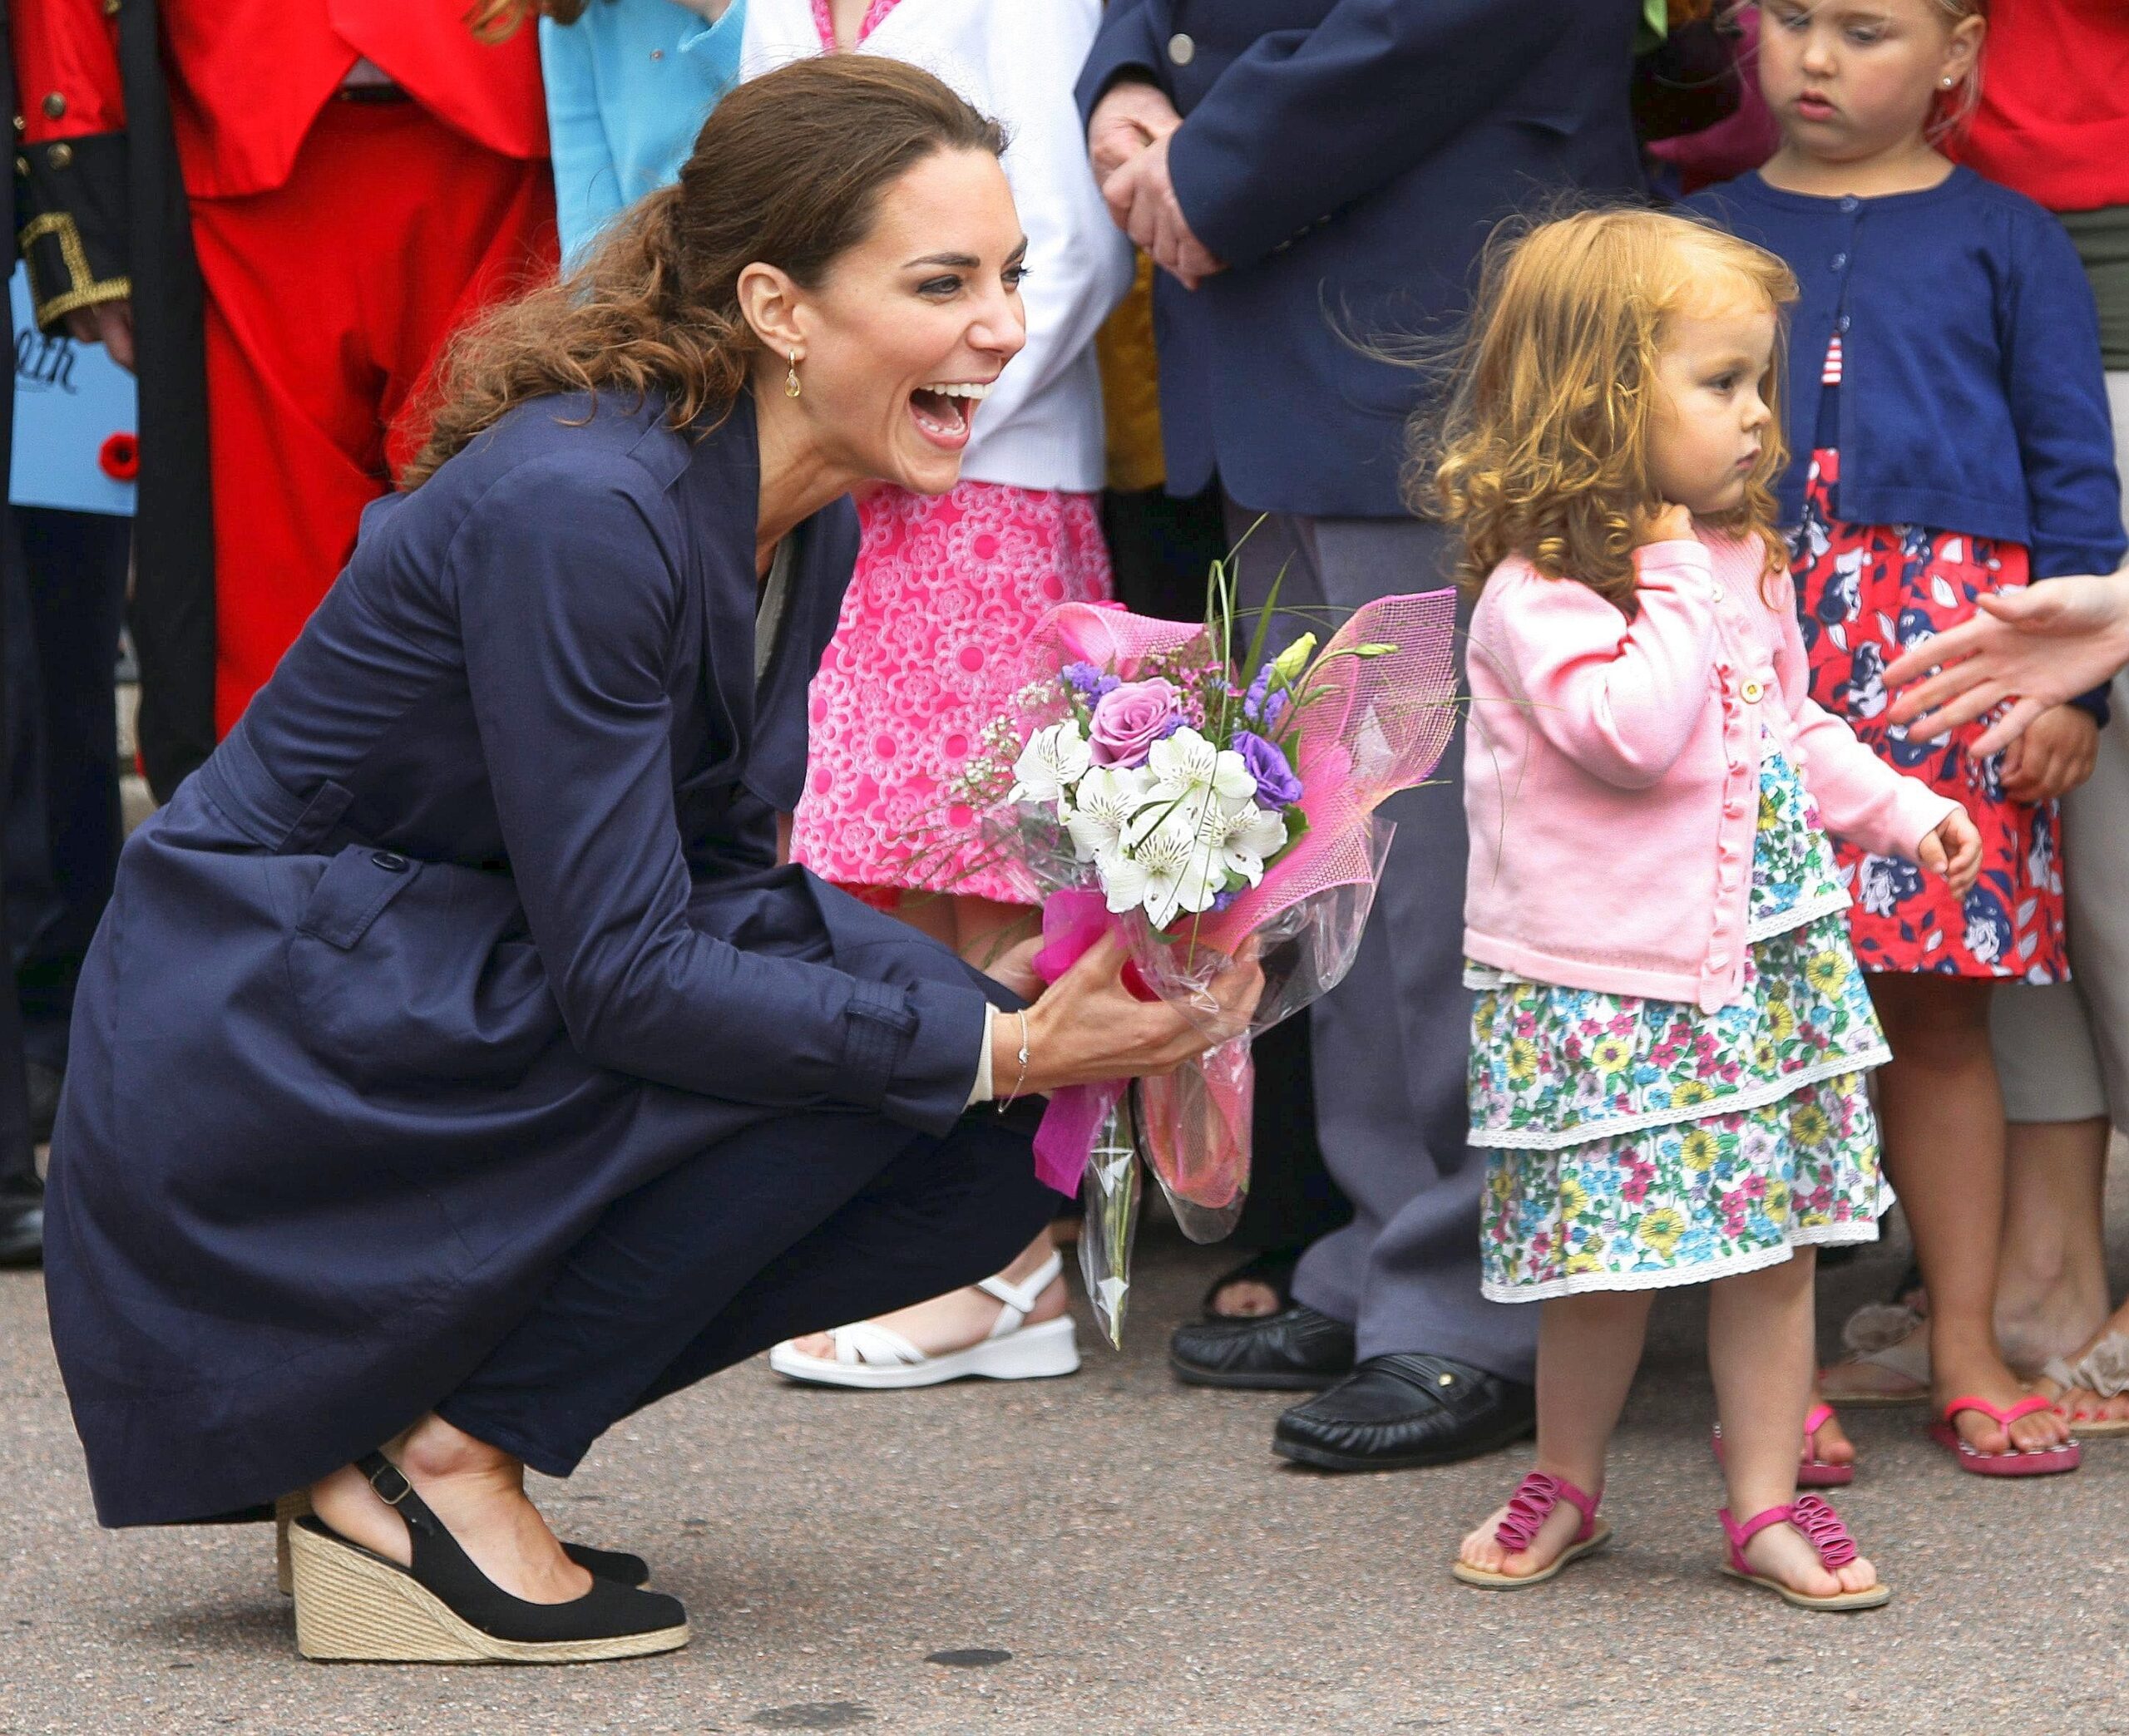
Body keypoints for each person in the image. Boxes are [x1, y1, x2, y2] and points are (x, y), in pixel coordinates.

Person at [40, 57, 1257, 1664]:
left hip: (440, 964)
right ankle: (430, 1459)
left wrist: (1013, 1005)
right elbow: (628, 974)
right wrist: (989, 1036)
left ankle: (436, 1431)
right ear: (778, 305)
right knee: (914, 1069)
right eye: (942, 282)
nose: (1005, 325)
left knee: (984, 1147)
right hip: (269, 1022)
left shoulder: (804, 492)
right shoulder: (584, 509)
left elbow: (716, 872)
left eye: (1014, 275)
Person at [1076, 0, 1646, 1473]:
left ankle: (1479, 1300)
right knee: (1348, 845)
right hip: (1283, 290)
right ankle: (1395, 1248)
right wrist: (1129, 74)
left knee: (1452, 849)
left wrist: (1219, 158)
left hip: (1434, 280)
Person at [1441, 207, 1974, 1609]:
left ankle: (1764, 1502)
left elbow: (1787, 723)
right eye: (1719, 384)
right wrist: (1675, 565)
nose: (1757, 418)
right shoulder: (1539, 591)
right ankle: (1570, 1472)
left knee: (1773, 1244)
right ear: (1604, 400)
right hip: (1604, 986)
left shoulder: (1731, 559)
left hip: (1748, 969)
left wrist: (1904, 810)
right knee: (1606, 1265)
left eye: (1759, 383)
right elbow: (1632, 728)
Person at [1686, 0, 2120, 1477]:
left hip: (1953, 656)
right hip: (1747, 635)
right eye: (1789, 17)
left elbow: (2075, 470)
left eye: (1864, 28)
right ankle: (1777, 1367)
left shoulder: (2014, 237)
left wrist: (2075, 693)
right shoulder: (1691, 231)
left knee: (1939, 1012)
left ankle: (1964, 1344)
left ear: (1956, 52)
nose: (1812, 58)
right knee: (1767, 1014)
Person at [736, 0, 1132, 1389]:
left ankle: (1012, 1260)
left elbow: (1067, 244)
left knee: (1002, 871)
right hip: (850, 458)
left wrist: (940, 412)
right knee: (861, 852)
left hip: (994, 468)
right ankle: (897, 1229)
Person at [14, 0, 556, 799]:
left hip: (511, 112)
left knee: (516, 564)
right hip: (241, 123)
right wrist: (86, 197)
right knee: (265, 617)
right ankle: (263, 895)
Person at [532, 0, 746, 269]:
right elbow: (589, 230)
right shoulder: (579, 15)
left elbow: (801, 127)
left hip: (787, 266)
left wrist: (719, 10)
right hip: (669, 284)